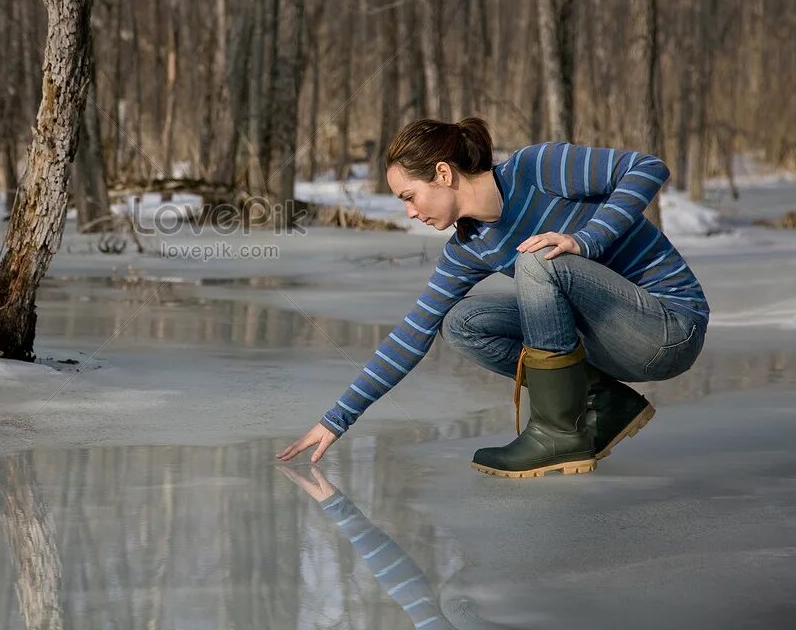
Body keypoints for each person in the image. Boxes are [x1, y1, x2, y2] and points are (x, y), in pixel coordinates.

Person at [276, 118, 709, 478]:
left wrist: (585, 240)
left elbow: (647, 167)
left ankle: (557, 435)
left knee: (536, 260)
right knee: (461, 323)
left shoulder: (536, 168)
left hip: (668, 325)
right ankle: (602, 403)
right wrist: (336, 419)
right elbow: (411, 334)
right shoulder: (469, 246)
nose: (409, 211)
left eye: (409, 196)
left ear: (443, 175)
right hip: (608, 339)